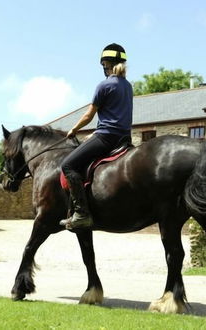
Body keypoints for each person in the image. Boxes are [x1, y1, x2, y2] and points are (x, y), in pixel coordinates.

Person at [59, 43, 133, 230]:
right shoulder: (128, 86)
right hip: (124, 138)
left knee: (67, 165)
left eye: (104, 65)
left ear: (106, 64)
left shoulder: (105, 85)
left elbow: (88, 115)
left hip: (107, 138)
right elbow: (115, 115)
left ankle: (81, 213)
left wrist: (74, 129)